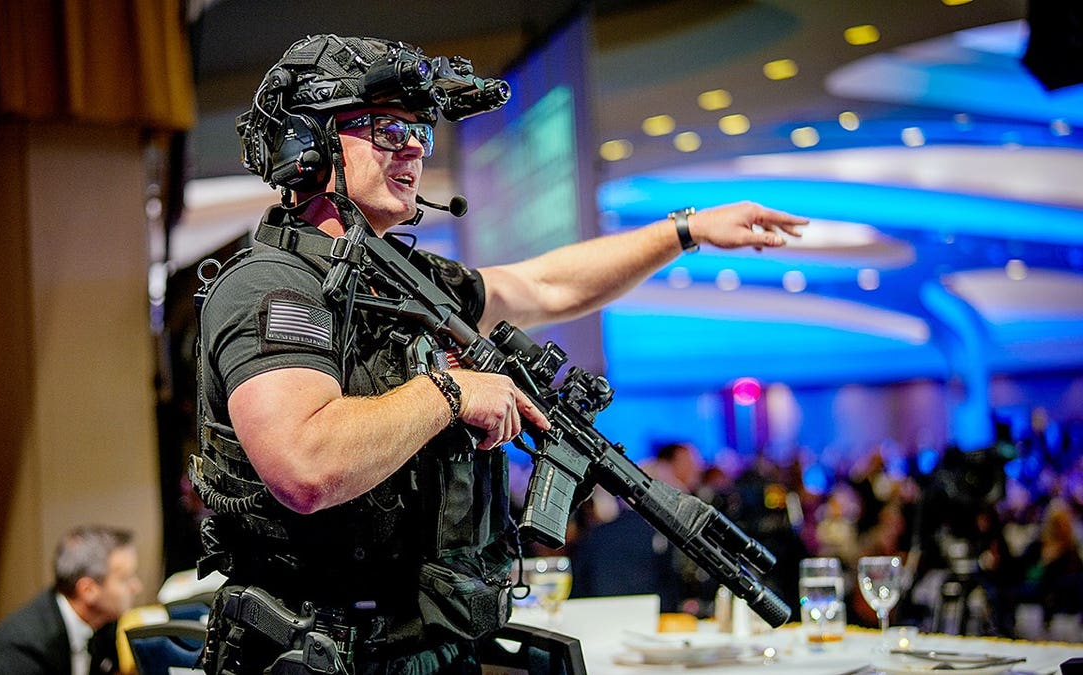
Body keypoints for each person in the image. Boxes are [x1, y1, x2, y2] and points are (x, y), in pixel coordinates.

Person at [190, 34, 807, 675]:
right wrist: (451, 392)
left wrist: (685, 230)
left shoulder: (409, 281)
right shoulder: (271, 285)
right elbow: (305, 466)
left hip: (428, 644)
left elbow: (546, 286)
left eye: (419, 131)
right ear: (306, 145)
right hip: (316, 654)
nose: (413, 148)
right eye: (387, 129)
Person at [0, 525, 142, 675]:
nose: (136, 587)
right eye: (125, 579)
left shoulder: (103, 622)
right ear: (88, 590)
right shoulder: (21, 652)